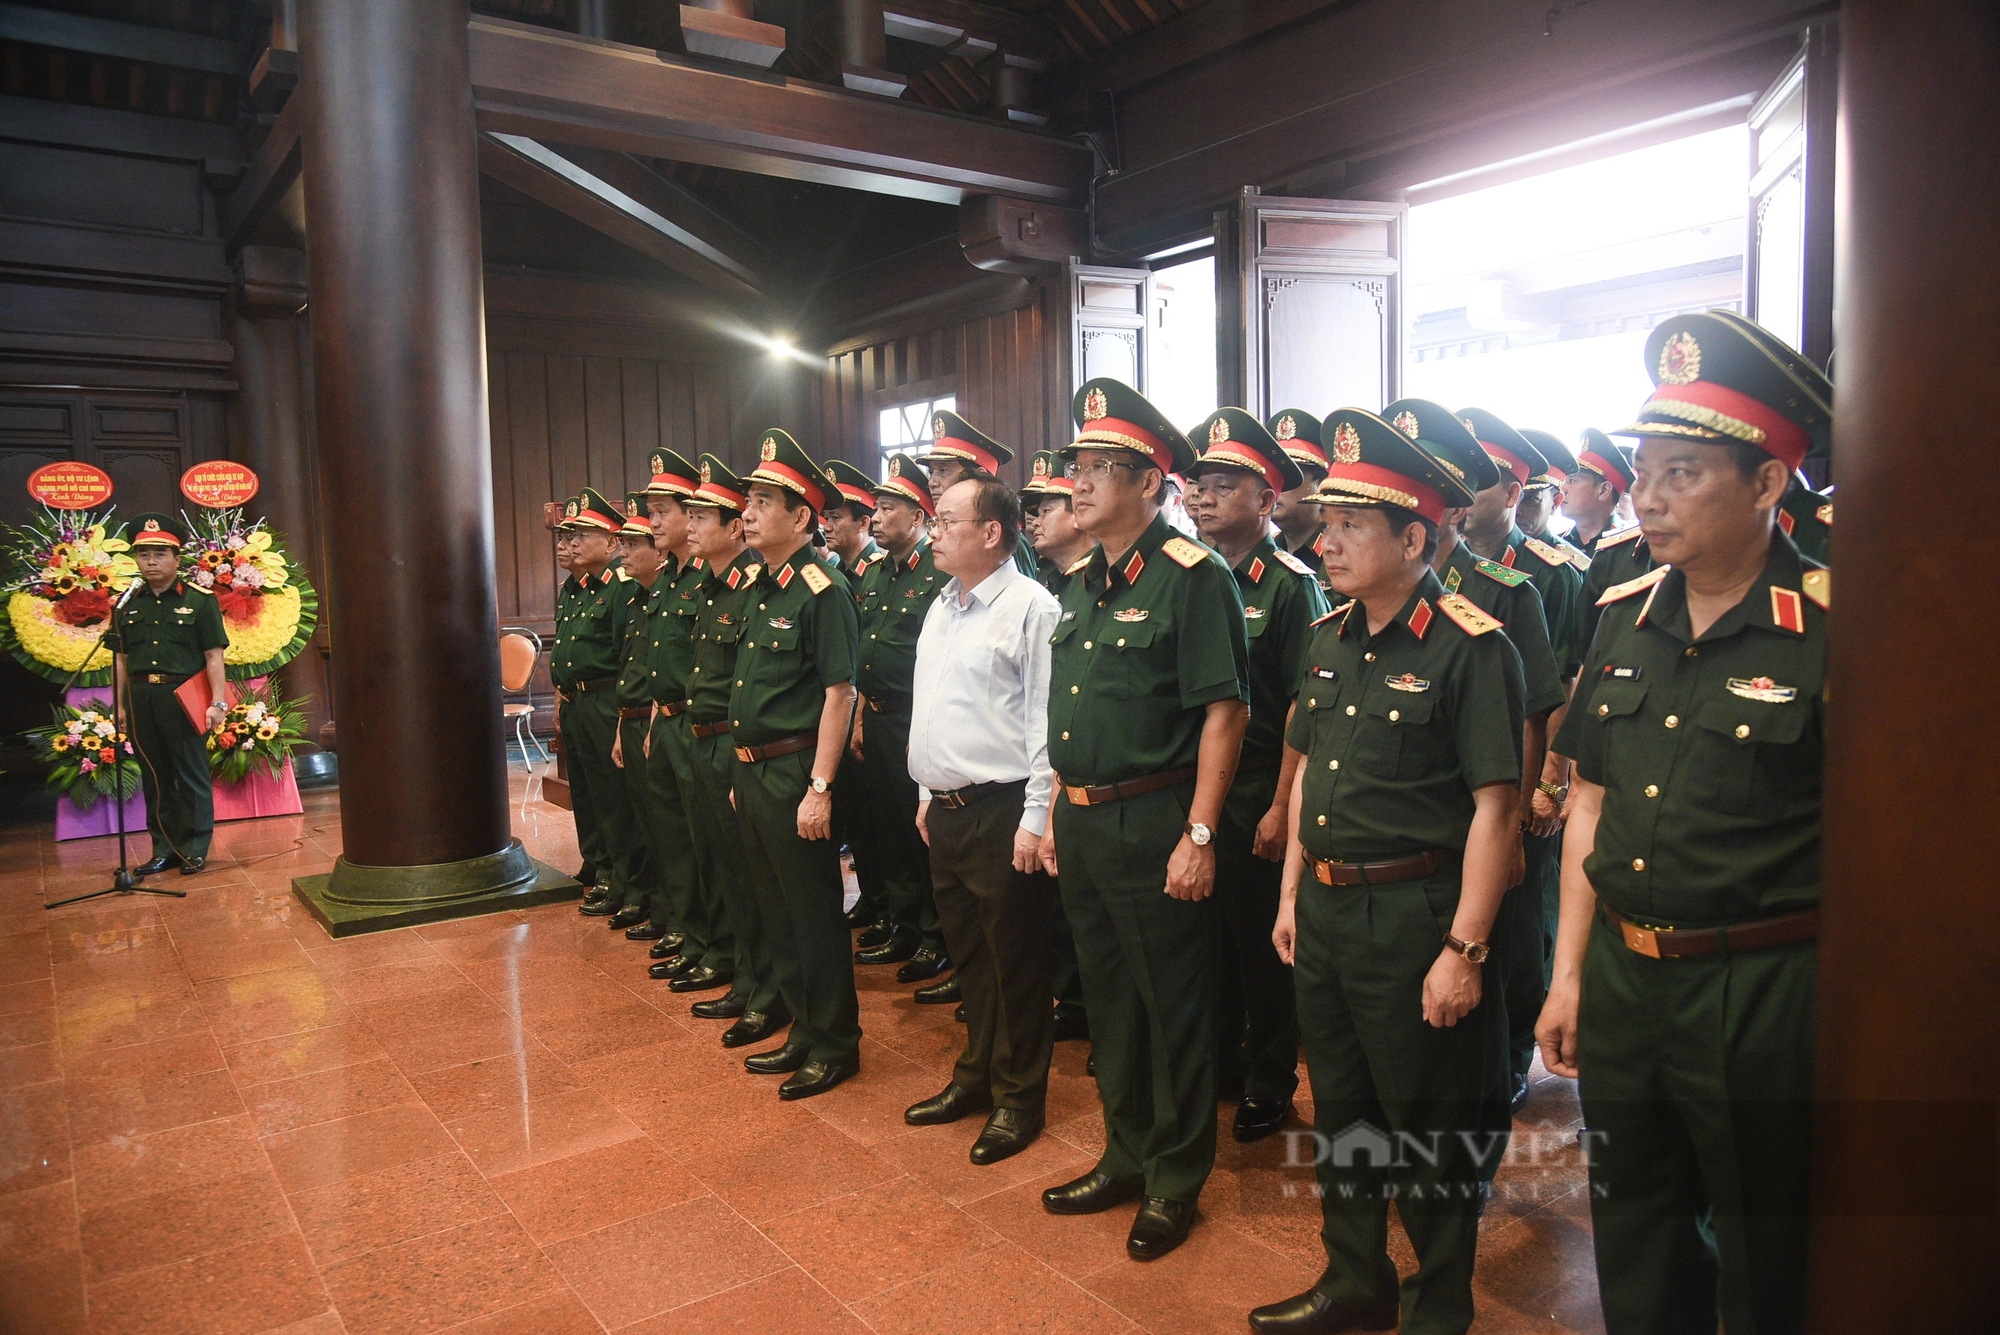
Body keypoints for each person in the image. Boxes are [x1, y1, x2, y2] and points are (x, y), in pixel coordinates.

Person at [1537, 310, 1831, 1335]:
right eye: (1641, 471)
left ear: (1764, 484)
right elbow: (1590, 804)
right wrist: (1568, 971)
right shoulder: (1621, 614)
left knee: (1763, 1240)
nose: (1646, 498)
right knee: (1634, 1226)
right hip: (1623, 978)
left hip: (1758, 985)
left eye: (1681, 473)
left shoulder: (1834, 630)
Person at [1250, 410, 1524, 1335]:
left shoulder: (1471, 645)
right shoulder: (1327, 638)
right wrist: (1290, 894)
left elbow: (1497, 807)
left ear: (1414, 535)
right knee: (1344, 1111)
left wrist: (1467, 947)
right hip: (1326, 909)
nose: (1325, 540)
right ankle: (1354, 1275)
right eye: (1325, 522)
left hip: (1416, 913)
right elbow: (1308, 775)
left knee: (1426, 1122)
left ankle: (1441, 1298)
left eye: (1350, 525)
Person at [1038, 377, 1250, 1262]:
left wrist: (1200, 833)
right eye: (1078, 467)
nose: (1078, 484)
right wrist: (1054, 810)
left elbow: (1224, 713)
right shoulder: (1086, 582)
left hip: (1156, 818)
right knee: (1112, 1002)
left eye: (1101, 469)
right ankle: (1124, 1151)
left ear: (1150, 485)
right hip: (1086, 822)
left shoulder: (1190, 579)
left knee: (1176, 1008)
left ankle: (1174, 1176)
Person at [1389, 398, 1569, 1117]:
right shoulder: (1375, 596)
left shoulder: (1507, 592)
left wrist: (1532, 800)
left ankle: (1502, 1072)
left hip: (1491, 807)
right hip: (1421, 818)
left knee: (1504, 951)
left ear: (1451, 508)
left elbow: (1536, 710)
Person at [903, 474, 1064, 1164]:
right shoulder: (942, 604)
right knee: (970, 956)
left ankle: (1020, 1097)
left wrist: (1036, 817)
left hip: (1004, 809)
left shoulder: (1032, 607)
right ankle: (976, 1076)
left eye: (944, 520)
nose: (933, 531)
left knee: (1017, 962)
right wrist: (923, 792)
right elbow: (936, 706)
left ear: (991, 531)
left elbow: (1044, 724)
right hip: (945, 809)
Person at [1184, 408, 1329, 1142]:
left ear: (1268, 501)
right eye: (1199, 485)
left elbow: (1306, 704)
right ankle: (1225, 1062)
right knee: (1210, 940)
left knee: (1260, 947)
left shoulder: (1290, 583)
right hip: (1206, 786)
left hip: (1263, 784)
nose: (1202, 498)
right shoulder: (1198, 575)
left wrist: (1281, 808)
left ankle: (1272, 1077)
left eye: (1223, 486)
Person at [731, 428, 864, 1099]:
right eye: (749, 501)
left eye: (761, 501)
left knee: (813, 912)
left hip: (794, 771)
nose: (747, 513)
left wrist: (819, 787)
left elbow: (840, 693)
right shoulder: (763, 585)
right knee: (777, 908)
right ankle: (804, 1029)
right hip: (753, 770)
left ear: (802, 517)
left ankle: (836, 1041)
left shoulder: (823, 589)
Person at [672, 459, 786, 1056]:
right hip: (702, 739)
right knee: (723, 869)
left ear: (733, 530)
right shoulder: (708, 584)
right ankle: (746, 979)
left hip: (734, 744)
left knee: (752, 875)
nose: (691, 527)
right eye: (686, 516)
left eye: (700, 516)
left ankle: (768, 992)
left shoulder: (753, 588)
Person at [850, 455, 949, 984]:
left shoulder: (937, 569)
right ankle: (904, 924)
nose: (878, 516)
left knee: (922, 833)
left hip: (918, 719)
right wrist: (863, 716)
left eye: (888, 508)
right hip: (880, 718)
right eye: (877, 506)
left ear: (917, 516)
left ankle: (936, 936)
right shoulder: (874, 573)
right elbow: (866, 654)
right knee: (889, 827)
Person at [633, 453, 719, 978]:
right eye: (652, 511)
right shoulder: (667, 581)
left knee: (703, 841)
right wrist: (649, 726)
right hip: (663, 720)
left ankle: (713, 940)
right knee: (672, 835)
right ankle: (689, 932)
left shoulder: (706, 582)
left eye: (662, 510)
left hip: (695, 723)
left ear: (690, 516)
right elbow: (657, 665)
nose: (654, 521)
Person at [1021, 447, 1092, 1044]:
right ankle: (1071, 996)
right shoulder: (1048, 585)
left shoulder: (1095, 584)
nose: (1035, 518)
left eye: (1049, 506)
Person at [114, 513, 228, 878]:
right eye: (144, 554)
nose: (151, 561)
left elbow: (214, 655)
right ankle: (164, 848)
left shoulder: (200, 601)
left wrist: (218, 702)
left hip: (182, 696)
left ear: (177, 560)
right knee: (155, 776)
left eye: (160, 554)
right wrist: (119, 705)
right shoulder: (126, 604)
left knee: (191, 774)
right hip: (142, 696)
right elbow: (121, 659)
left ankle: (194, 848)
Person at [556, 489, 646, 924]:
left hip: (606, 700)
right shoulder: (573, 589)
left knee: (614, 798)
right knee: (587, 792)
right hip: (576, 699)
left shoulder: (619, 590)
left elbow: (624, 656)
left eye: (581, 535)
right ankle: (598, 864)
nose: (570, 544)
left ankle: (620, 877)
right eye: (568, 536)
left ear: (611, 543)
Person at [820, 458, 890, 935]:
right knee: (864, 819)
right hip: (860, 714)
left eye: (836, 518)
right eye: (824, 517)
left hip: (879, 712)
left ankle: (892, 907)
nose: (827, 526)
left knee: (886, 821)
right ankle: (874, 897)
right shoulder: (845, 571)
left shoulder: (872, 570)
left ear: (862, 522)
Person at [605, 494, 668, 937]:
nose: (623, 553)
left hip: (663, 722)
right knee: (645, 824)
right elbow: (630, 670)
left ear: (659, 552)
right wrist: (620, 727)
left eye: (633, 545)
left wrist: (648, 724)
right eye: (622, 545)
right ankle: (660, 909)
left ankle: (675, 919)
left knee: (670, 833)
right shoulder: (636, 602)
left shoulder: (668, 596)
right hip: (631, 718)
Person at [919, 409, 1036, 576]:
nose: (932, 482)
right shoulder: (937, 539)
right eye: (931, 472)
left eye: (943, 470)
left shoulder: (1004, 541)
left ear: (980, 477)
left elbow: (1020, 597)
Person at [1267, 408, 1332, 597]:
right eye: (1272, 477)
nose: (1276, 488)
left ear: (1320, 485)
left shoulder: (1342, 554)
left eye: (1289, 477)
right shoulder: (1265, 554)